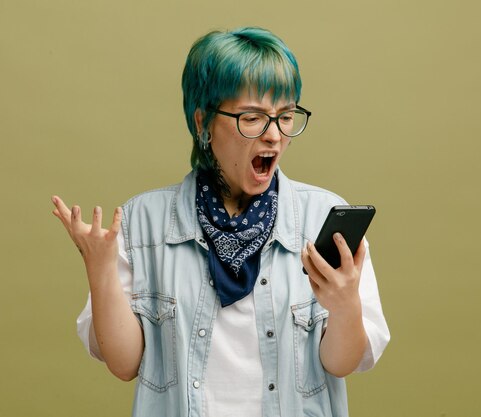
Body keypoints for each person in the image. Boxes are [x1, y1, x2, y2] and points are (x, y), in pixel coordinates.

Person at [51, 27, 389, 417]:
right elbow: (124, 363)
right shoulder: (142, 224)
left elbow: (341, 364)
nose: (274, 136)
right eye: (253, 118)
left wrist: (345, 304)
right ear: (203, 122)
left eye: (285, 117)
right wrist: (100, 269)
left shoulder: (321, 220)